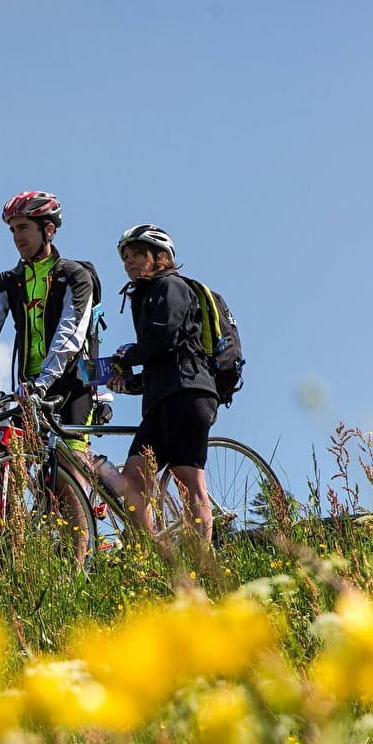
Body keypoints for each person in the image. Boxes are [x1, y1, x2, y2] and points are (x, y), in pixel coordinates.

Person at [0, 191, 102, 439]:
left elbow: (70, 333)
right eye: (12, 230)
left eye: (23, 227)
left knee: (68, 467)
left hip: (73, 385)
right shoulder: (9, 281)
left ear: (49, 230)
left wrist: (43, 381)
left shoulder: (75, 276)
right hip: (29, 387)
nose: (17, 237)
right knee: (11, 455)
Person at [106, 224, 217, 543]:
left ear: (161, 257)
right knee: (131, 482)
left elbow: (166, 339)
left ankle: (203, 569)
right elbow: (162, 360)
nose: (129, 262)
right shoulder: (144, 296)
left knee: (188, 481)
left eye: (137, 254)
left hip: (189, 393)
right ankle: (156, 555)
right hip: (161, 398)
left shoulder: (171, 287)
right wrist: (131, 383)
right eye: (125, 257)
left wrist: (129, 355)